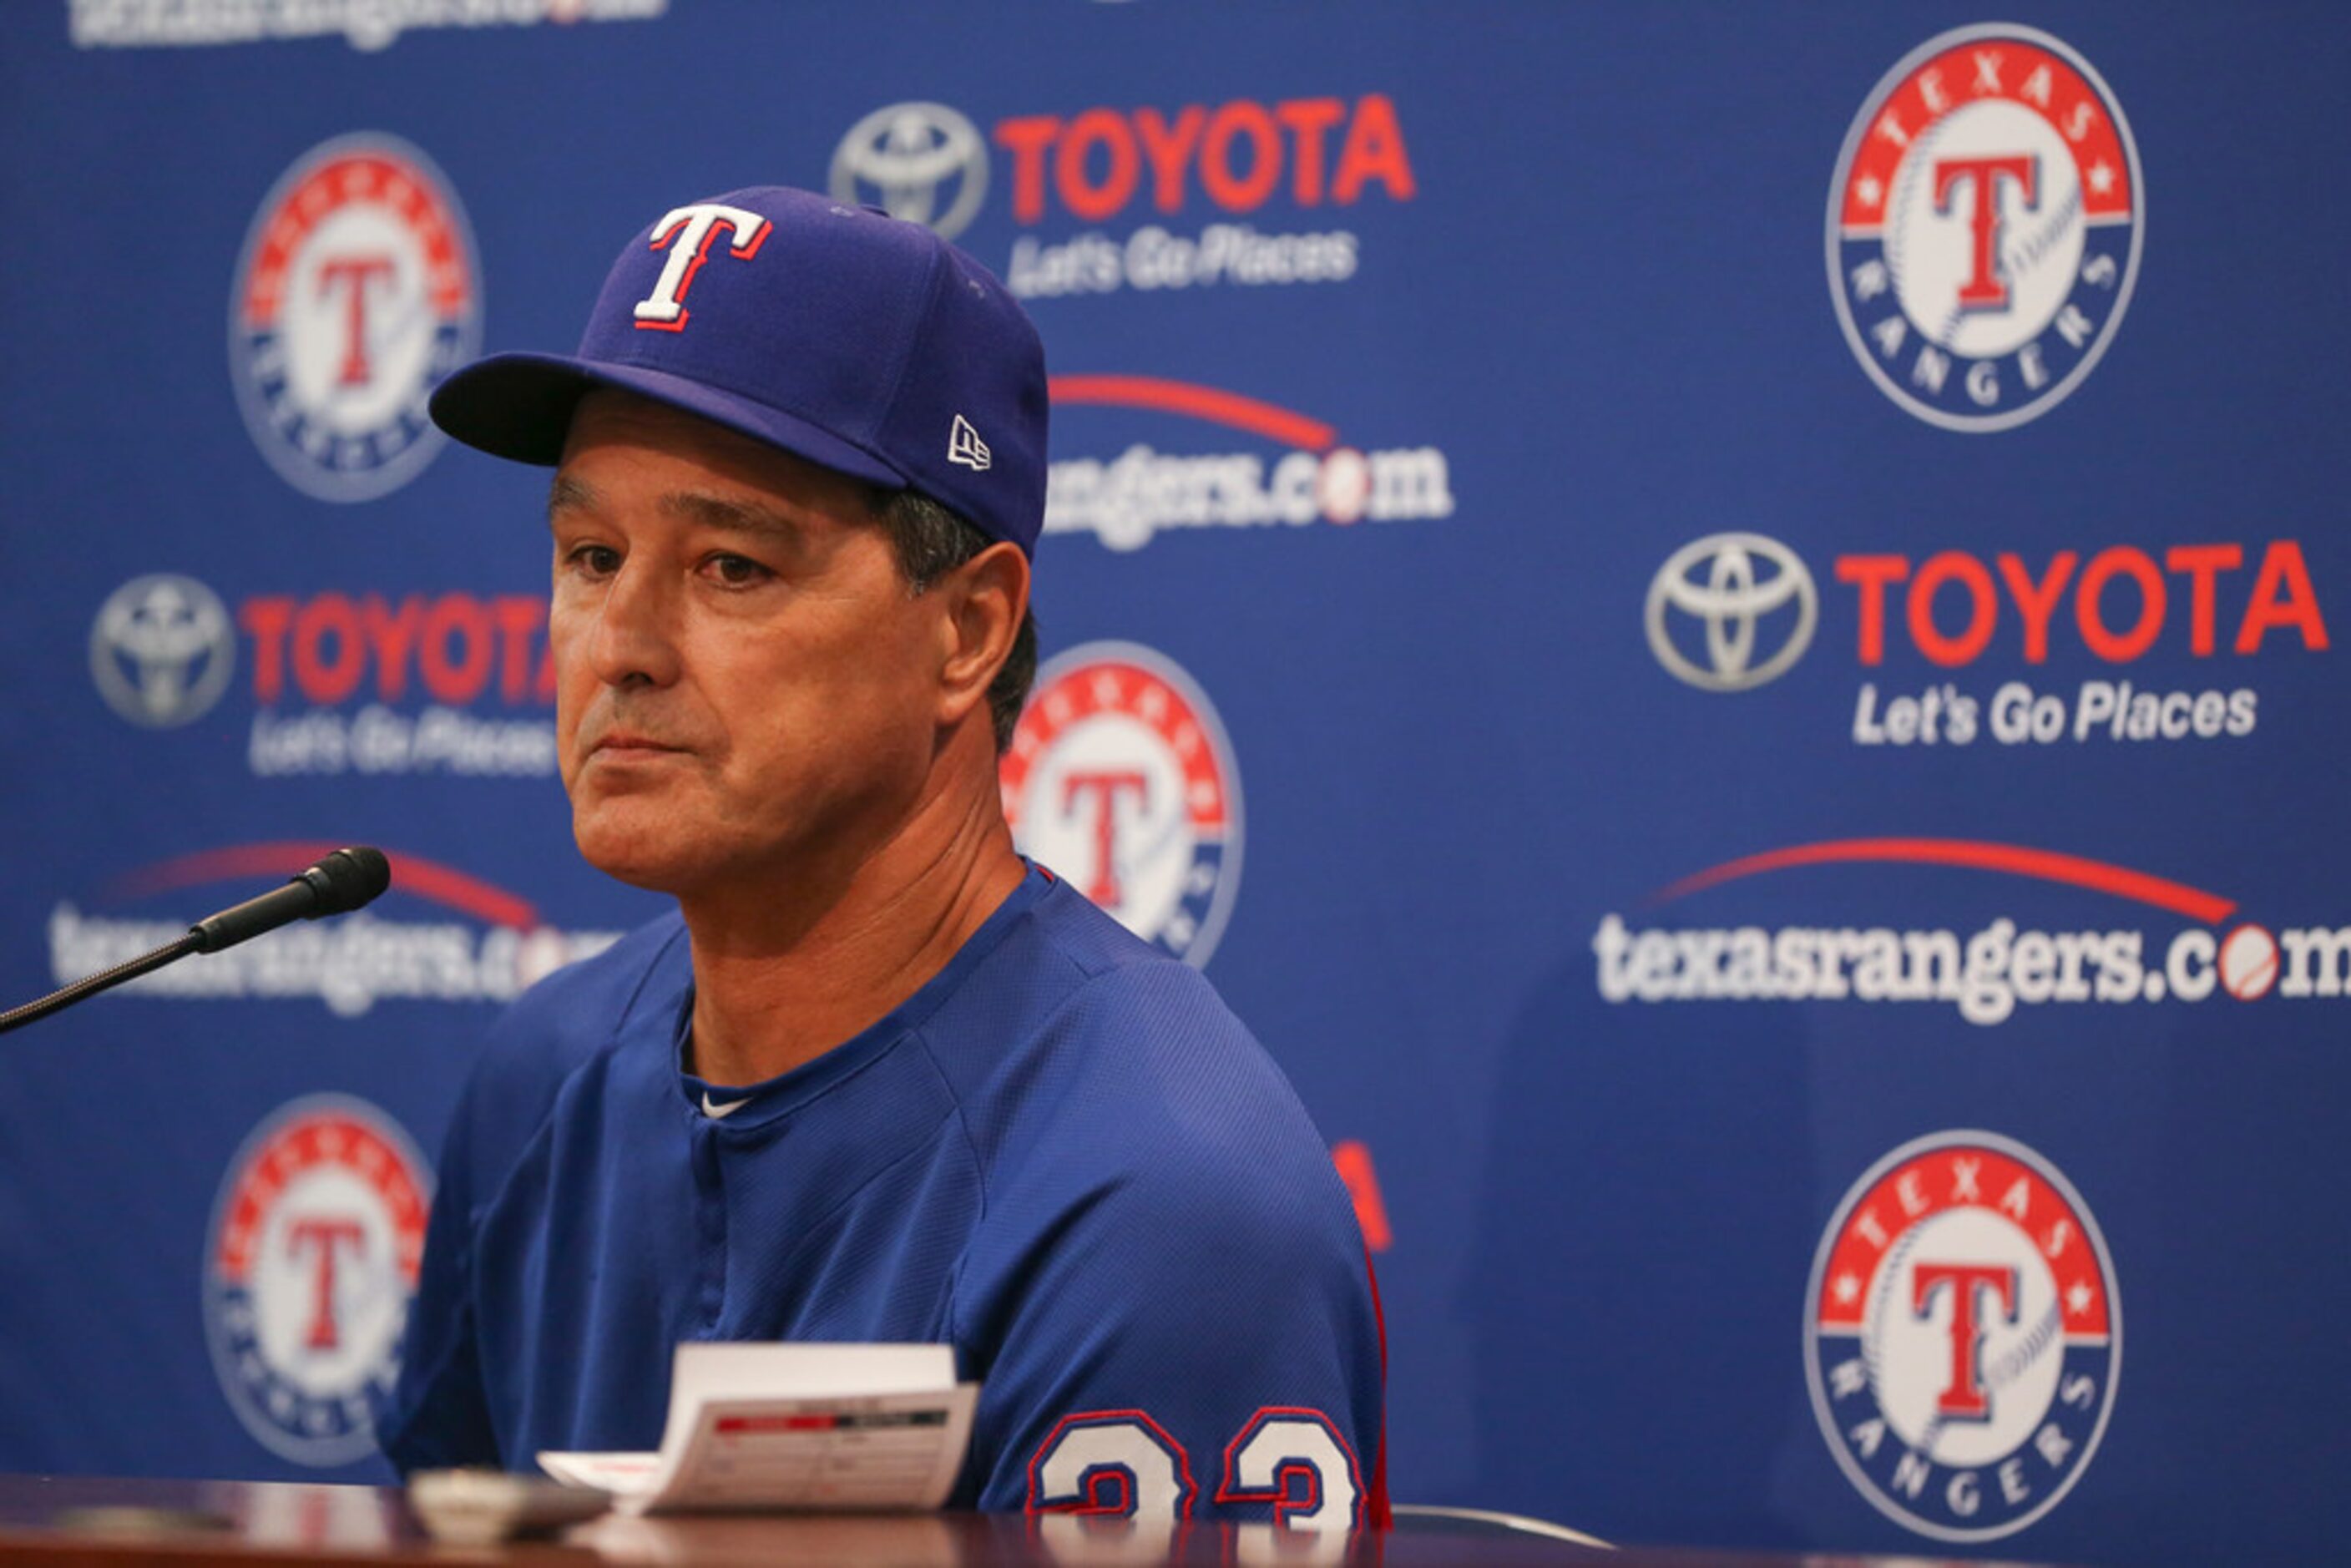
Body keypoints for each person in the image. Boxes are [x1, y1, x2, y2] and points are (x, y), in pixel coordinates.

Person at [375, 185, 1387, 1527]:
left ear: (967, 631)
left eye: (730, 566)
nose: (619, 642)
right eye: (591, 554)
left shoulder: (1160, 1205)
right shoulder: (539, 1081)